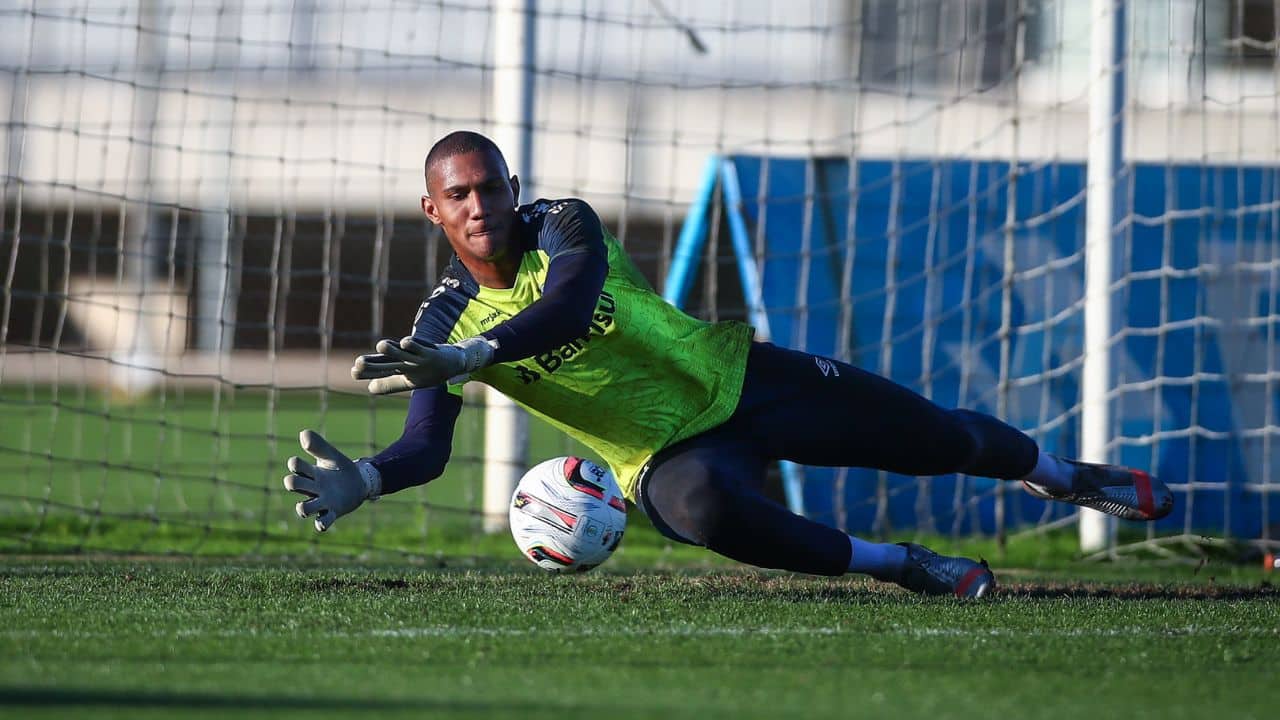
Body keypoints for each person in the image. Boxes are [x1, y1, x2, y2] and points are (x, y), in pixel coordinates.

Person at [282, 130, 1173, 598]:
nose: (481, 205)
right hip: (665, 458)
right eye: (459, 195)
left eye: (491, 186)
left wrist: (477, 354)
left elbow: (561, 308)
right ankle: (901, 565)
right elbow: (429, 449)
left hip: (742, 379)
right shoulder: (440, 320)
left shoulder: (564, 226)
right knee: (705, 511)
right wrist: (366, 475)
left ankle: (1064, 475)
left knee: (935, 438)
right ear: (431, 209)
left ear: (514, 189)